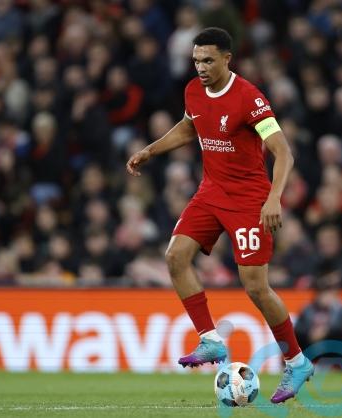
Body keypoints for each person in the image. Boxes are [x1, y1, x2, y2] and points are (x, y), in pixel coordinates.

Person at [126, 27, 313, 403]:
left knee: (255, 287)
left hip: (249, 200)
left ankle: (297, 361)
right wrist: (151, 150)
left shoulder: (249, 98)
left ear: (228, 59)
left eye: (208, 60)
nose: (201, 67)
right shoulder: (193, 91)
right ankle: (210, 340)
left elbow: (283, 152)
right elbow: (188, 127)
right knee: (175, 256)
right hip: (211, 192)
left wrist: (274, 198)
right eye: (196, 60)